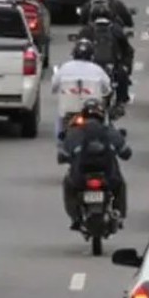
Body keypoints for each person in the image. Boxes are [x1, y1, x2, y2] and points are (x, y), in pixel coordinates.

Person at [58, 99, 131, 231]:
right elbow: (126, 153)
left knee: (68, 185)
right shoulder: (110, 131)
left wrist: (70, 157)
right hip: (109, 178)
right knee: (120, 186)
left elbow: (61, 156)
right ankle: (119, 214)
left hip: (80, 178)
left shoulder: (75, 133)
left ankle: (75, 217)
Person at [51, 38, 114, 140]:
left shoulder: (65, 67)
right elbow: (107, 88)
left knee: (60, 121)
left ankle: (60, 140)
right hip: (92, 112)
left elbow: (54, 86)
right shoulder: (97, 69)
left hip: (68, 111)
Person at [76, 2, 134, 103]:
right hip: (109, 68)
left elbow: (77, 51)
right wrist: (126, 67)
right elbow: (127, 50)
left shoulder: (86, 30)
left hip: (97, 69)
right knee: (122, 75)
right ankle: (122, 99)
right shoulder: (116, 29)